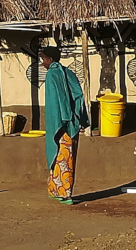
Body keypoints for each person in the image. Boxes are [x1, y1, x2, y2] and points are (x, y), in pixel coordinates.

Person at [40, 46, 89, 205]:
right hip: (71, 124)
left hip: (61, 124)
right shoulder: (68, 73)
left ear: (50, 59)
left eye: (44, 60)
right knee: (66, 158)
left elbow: (56, 102)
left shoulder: (52, 75)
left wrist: (60, 121)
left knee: (61, 158)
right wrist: (79, 118)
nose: (43, 63)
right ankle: (57, 190)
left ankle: (64, 193)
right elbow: (78, 96)